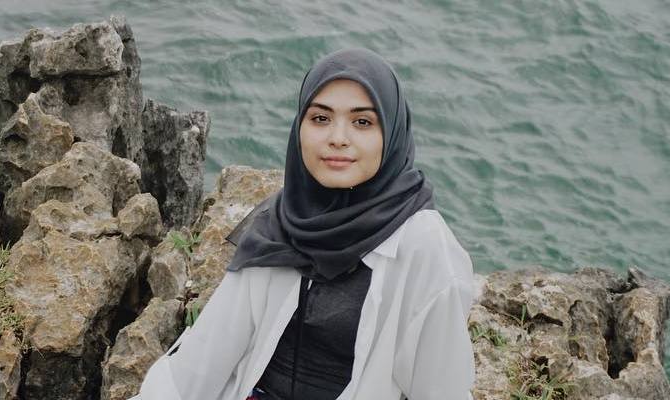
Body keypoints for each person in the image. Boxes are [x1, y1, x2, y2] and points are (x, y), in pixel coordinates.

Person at [131, 48, 476, 400]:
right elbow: (203, 356)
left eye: (362, 122)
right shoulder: (285, 218)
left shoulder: (426, 249)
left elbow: (441, 391)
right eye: (320, 118)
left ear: (392, 132)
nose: (337, 137)